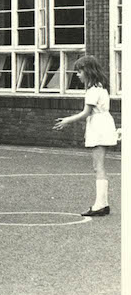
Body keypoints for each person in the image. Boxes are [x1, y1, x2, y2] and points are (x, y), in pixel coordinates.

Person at [53, 55, 118, 216]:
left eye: (79, 71)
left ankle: (100, 205)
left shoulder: (93, 90)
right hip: (103, 124)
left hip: (99, 127)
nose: (77, 74)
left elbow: (86, 113)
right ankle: (103, 203)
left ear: (88, 71)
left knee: (98, 166)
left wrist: (67, 120)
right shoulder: (100, 87)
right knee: (98, 166)